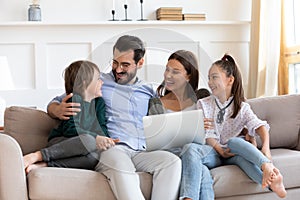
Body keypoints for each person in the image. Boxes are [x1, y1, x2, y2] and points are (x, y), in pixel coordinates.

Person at [47, 35, 182, 200]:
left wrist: (187, 121)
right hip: (112, 148)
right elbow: (58, 100)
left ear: (140, 63)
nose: (118, 70)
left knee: (172, 162)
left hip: (140, 150)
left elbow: (161, 116)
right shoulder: (99, 81)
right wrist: (56, 109)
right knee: (122, 167)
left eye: (125, 65)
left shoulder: (147, 89)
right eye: (115, 62)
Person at [180, 54, 287, 199]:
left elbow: (260, 126)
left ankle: (270, 174)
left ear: (230, 80)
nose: (210, 82)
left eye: (215, 77)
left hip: (234, 152)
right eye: (209, 77)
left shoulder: (242, 107)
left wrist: (266, 149)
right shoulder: (203, 104)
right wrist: (219, 150)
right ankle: (188, 198)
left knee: (235, 142)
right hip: (213, 152)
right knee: (190, 148)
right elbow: (208, 133)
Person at [23, 60, 116, 174]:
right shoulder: (73, 101)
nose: (101, 82)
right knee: (88, 140)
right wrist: (95, 138)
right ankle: (38, 156)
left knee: (94, 158)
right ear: (85, 83)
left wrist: (105, 139)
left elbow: (102, 126)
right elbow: (70, 129)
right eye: (97, 79)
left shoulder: (99, 103)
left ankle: (46, 165)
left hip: (84, 145)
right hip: (62, 142)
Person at [147, 50, 214, 200]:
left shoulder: (202, 97)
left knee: (194, 157)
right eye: (167, 69)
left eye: (175, 72)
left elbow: (219, 125)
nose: (168, 75)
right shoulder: (157, 103)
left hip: (200, 151)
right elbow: (155, 140)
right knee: (202, 171)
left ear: (188, 76)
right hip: (173, 155)